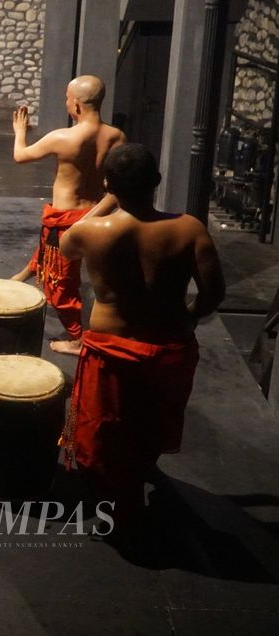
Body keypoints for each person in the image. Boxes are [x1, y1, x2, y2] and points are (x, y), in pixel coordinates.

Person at [57, 143, 225, 538]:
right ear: (157, 182)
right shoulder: (189, 228)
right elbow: (213, 294)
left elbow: (64, 244)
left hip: (111, 347)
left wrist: (107, 197)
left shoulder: (91, 232)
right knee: (150, 424)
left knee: (106, 431)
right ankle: (135, 489)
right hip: (169, 345)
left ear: (109, 184)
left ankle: (120, 509)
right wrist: (191, 316)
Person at [10, 75, 126, 355]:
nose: (66, 103)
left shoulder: (64, 137)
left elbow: (21, 156)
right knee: (54, 257)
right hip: (97, 216)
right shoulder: (117, 137)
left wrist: (19, 131)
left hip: (66, 218)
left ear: (76, 105)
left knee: (59, 284)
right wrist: (92, 216)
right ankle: (23, 274)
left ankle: (79, 339)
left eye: (66, 98)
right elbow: (117, 187)